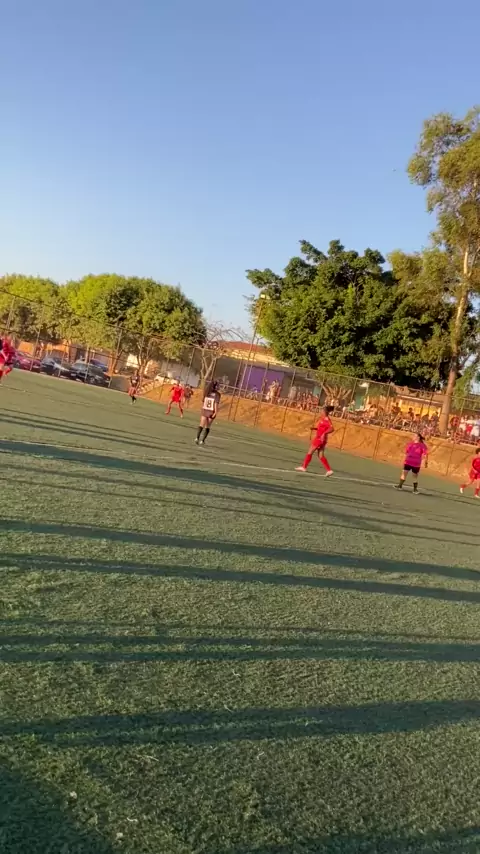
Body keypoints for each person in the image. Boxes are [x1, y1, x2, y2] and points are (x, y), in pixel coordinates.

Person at [296, 405, 335, 476]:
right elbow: (323, 428)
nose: (321, 411)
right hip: (321, 439)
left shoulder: (327, 419)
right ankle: (329, 470)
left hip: (320, 439)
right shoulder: (323, 419)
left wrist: (324, 434)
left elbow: (332, 429)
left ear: (324, 412)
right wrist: (315, 429)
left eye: (322, 410)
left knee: (310, 451)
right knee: (320, 455)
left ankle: (304, 467)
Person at [195, 380, 221, 445]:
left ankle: (197, 438)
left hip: (205, 410)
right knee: (207, 426)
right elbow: (216, 404)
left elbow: (203, 401)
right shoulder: (217, 394)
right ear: (215, 386)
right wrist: (215, 412)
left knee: (201, 424)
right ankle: (202, 440)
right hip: (211, 411)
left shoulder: (206, 392)